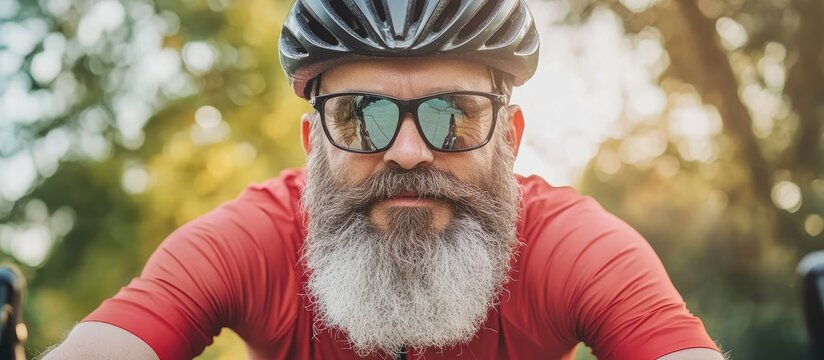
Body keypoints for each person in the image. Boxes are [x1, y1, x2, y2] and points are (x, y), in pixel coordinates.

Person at [43, 1, 726, 359]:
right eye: (360, 116)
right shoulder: (254, 240)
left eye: (452, 116)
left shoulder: (571, 247)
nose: (405, 153)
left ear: (510, 141)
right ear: (316, 144)